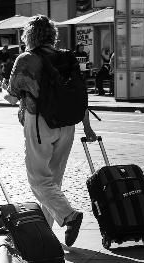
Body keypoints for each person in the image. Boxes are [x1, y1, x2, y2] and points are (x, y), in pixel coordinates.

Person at [7, 15, 98, 247]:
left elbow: (12, 92)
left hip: (40, 122)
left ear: (29, 35)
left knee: (38, 180)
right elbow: (80, 94)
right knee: (53, 181)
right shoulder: (66, 57)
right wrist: (87, 127)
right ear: (52, 35)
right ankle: (45, 236)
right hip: (68, 124)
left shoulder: (27, 59)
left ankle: (69, 216)